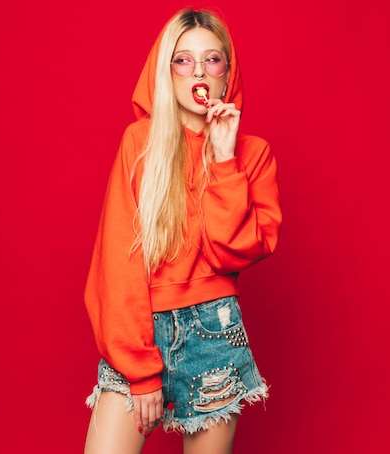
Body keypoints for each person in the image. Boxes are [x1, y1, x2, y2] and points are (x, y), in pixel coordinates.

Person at [83, 8, 282, 454]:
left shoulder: (253, 156)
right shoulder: (140, 143)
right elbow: (117, 261)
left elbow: (231, 252)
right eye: (183, 60)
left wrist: (225, 158)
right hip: (139, 329)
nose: (198, 72)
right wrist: (140, 370)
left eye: (212, 60)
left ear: (227, 72)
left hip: (214, 333)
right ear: (166, 71)